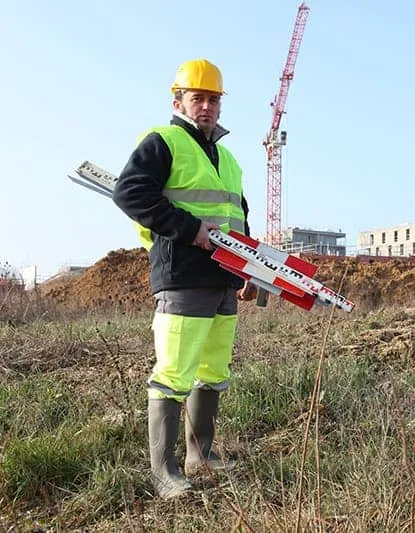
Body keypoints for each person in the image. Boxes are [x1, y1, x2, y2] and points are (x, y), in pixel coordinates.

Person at [112, 58, 257, 499]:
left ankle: (202, 456)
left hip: (224, 280)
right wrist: (190, 230)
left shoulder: (227, 157)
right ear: (179, 100)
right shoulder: (164, 142)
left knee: (212, 372)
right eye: (199, 98)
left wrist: (247, 270)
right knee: (174, 373)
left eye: (213, 99)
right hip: (182, 275)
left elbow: (238, 217)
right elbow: (130, 192)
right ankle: (164, 472)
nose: (207, 106)